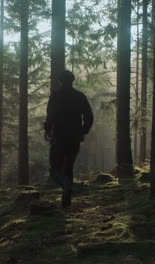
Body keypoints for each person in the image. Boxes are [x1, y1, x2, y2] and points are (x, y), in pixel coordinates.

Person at [44, 70, 94, 208]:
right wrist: (82, 131)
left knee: (54, 169)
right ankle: (66, 200)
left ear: (60, 81)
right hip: (74, 137)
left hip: (59, 136)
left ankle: (66, 187)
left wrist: (47, 129)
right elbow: (89, 117)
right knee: (68, 167)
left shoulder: (55, 96)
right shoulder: (80, 96)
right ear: (72, 80)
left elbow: (51, 115)